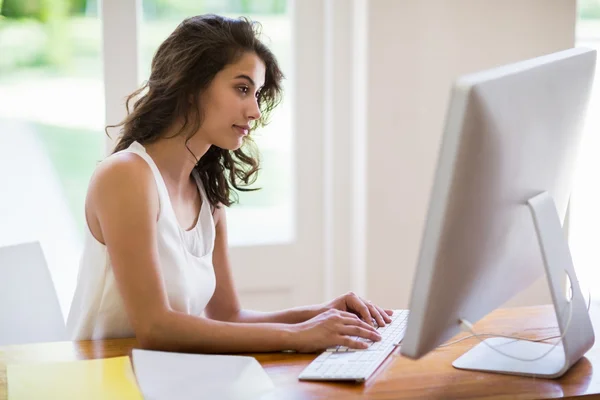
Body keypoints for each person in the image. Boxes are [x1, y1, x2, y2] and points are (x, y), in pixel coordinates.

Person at [67, 14, 392, 353]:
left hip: (167, 378)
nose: (255, 111)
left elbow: (229, 316)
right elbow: (155, 328)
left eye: (257, 93)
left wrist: (322, 315)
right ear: (191, 86)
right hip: (102, 381)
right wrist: (296, 336)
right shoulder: (126, 176)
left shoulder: (207, 193)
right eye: (242, 89)